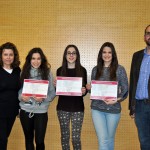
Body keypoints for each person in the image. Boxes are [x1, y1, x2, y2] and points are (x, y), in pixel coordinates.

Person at [86, 42, 128, 150]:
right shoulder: (96, 69)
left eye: (109, 52)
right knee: (103, 140)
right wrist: (90, 89)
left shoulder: (120, 69)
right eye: (104, 52)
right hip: (97, 109)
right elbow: (94, 92)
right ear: (101, 54)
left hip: (113, 109)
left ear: (113, 54)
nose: (107, 55)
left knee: (109, 139)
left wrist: (116, 100)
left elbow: (125, 90)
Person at [18, 48, 55, 150]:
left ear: (42, 60)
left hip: (41, 111)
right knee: (28, 140)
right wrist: (21, 97)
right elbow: (19, 91)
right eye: (33, 58)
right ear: (29, 60)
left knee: (39, 141)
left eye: (38, 58)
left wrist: (43, 99)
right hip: (25, 111)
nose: (36, 61)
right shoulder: (23, 72)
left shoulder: (47, 73)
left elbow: (52, 93)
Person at [54, 44, 87, 150]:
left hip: (78, 108)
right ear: (65, 55)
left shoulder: (82, 70)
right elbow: (58, 92)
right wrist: (56, 86)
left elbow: (84, 91)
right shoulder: (60, 70)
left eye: (74, 53)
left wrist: (84, 90)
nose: (71, 55)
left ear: (77, 55)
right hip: (63, 108)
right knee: (65, 137)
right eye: (69, 53)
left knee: (76, 138)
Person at [129, 25, 150, 150]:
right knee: (144, 140)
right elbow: (133, 81)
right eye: (148, 33)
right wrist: (132, 107)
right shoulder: (136, 56)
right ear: (144, 37)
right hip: (140, 105)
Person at [0, 42, 21, 150]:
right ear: (1, 56)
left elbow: (21, 90)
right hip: (0, 111)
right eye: (5, 54)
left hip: (12, 111)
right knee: (2, 140)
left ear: (14, 56)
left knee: (5, 137)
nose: (8, 57)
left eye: (11, 54)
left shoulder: (18, 71)